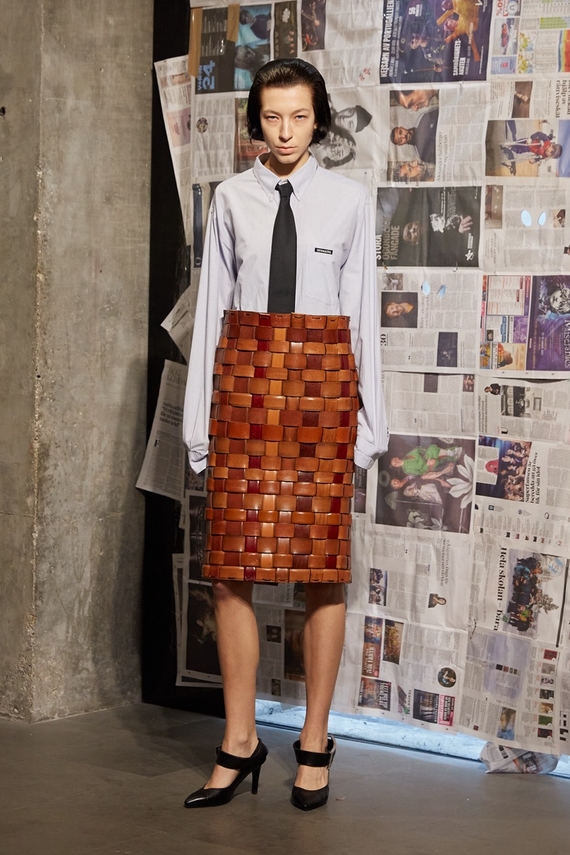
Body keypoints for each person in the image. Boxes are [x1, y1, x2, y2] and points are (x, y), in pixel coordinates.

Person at [182, 58, 387, 811]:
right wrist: (199, 426)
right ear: (256, 123)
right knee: (229, 571)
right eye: (272, 117)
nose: (286, 131)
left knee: (322, 571)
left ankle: (315, 739)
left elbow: (362, 313)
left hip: (324, 390)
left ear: (318, 119)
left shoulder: (349, 201)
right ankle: (240, 741)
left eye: (299, 116)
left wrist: (369, 427)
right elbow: (213, 310)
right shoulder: (231, 198)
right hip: (244, 384)